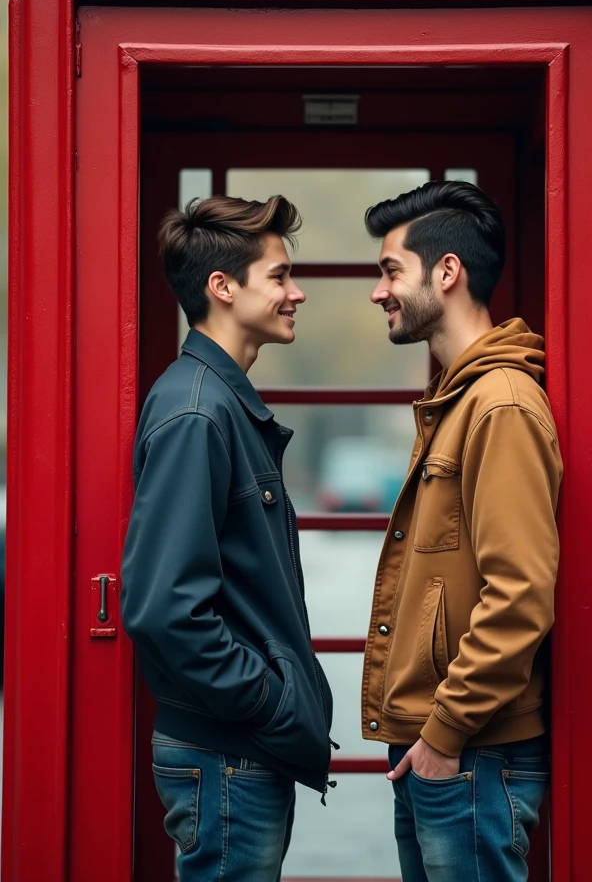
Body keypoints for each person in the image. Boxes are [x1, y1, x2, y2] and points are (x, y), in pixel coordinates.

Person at [121, 195, 335, 882]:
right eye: (278, 276)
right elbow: (163, 607)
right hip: (227, 757)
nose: (296, 291)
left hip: (236, 755)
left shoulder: (218, 402)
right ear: (223, 287)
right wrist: (269, 703)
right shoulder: (198, 412)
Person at [361, 180, 562, 882]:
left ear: (446, 272)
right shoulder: (459, 398)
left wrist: (444, 736)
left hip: (470, 753)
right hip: (444, 750)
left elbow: (519, 596)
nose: (378, 292)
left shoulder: (500, 404)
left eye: (390, 271)